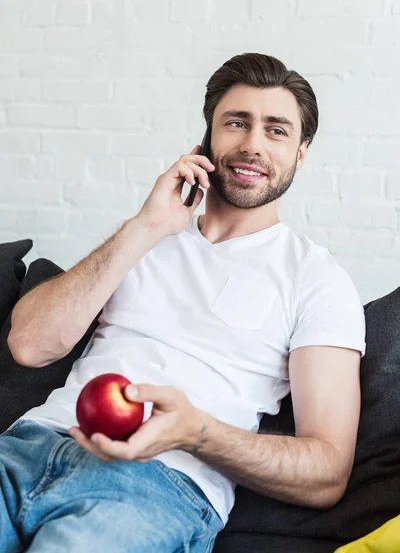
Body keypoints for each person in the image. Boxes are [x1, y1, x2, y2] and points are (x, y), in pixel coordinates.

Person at [1, 53, 365, 553]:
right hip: (27, 447)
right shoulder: (144, 238)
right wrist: (145, 226)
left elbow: (326, 472)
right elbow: (28, 345)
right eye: (236, 123)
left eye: (276, 130)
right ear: (207, 141)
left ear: (301, 153)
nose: (253, 144)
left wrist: (197, 433)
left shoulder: (317, 280)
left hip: (155, 487)